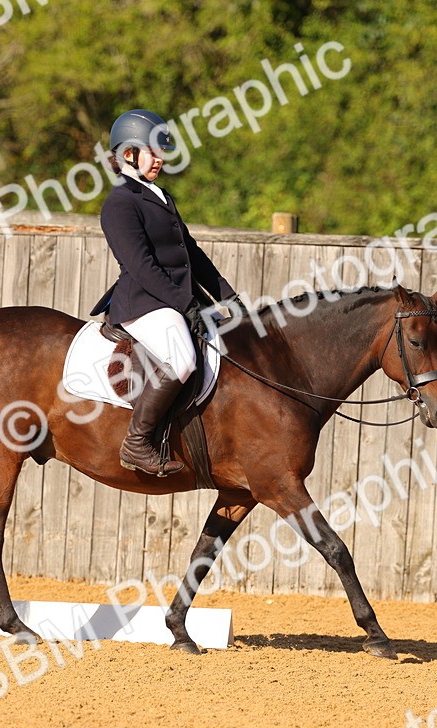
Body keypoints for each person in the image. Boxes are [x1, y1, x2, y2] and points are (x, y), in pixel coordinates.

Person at [91, 109, 244, 476]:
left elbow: (191, 253)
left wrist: (228, 299)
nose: (160, 159)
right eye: (152, 152)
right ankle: (137, 443)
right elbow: (142, 267)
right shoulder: (119, 203)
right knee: (182, 358)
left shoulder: (160, 196)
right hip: (143, 303)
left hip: (173, 301)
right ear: (128, 154)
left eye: (161, 152)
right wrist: (186, 305)